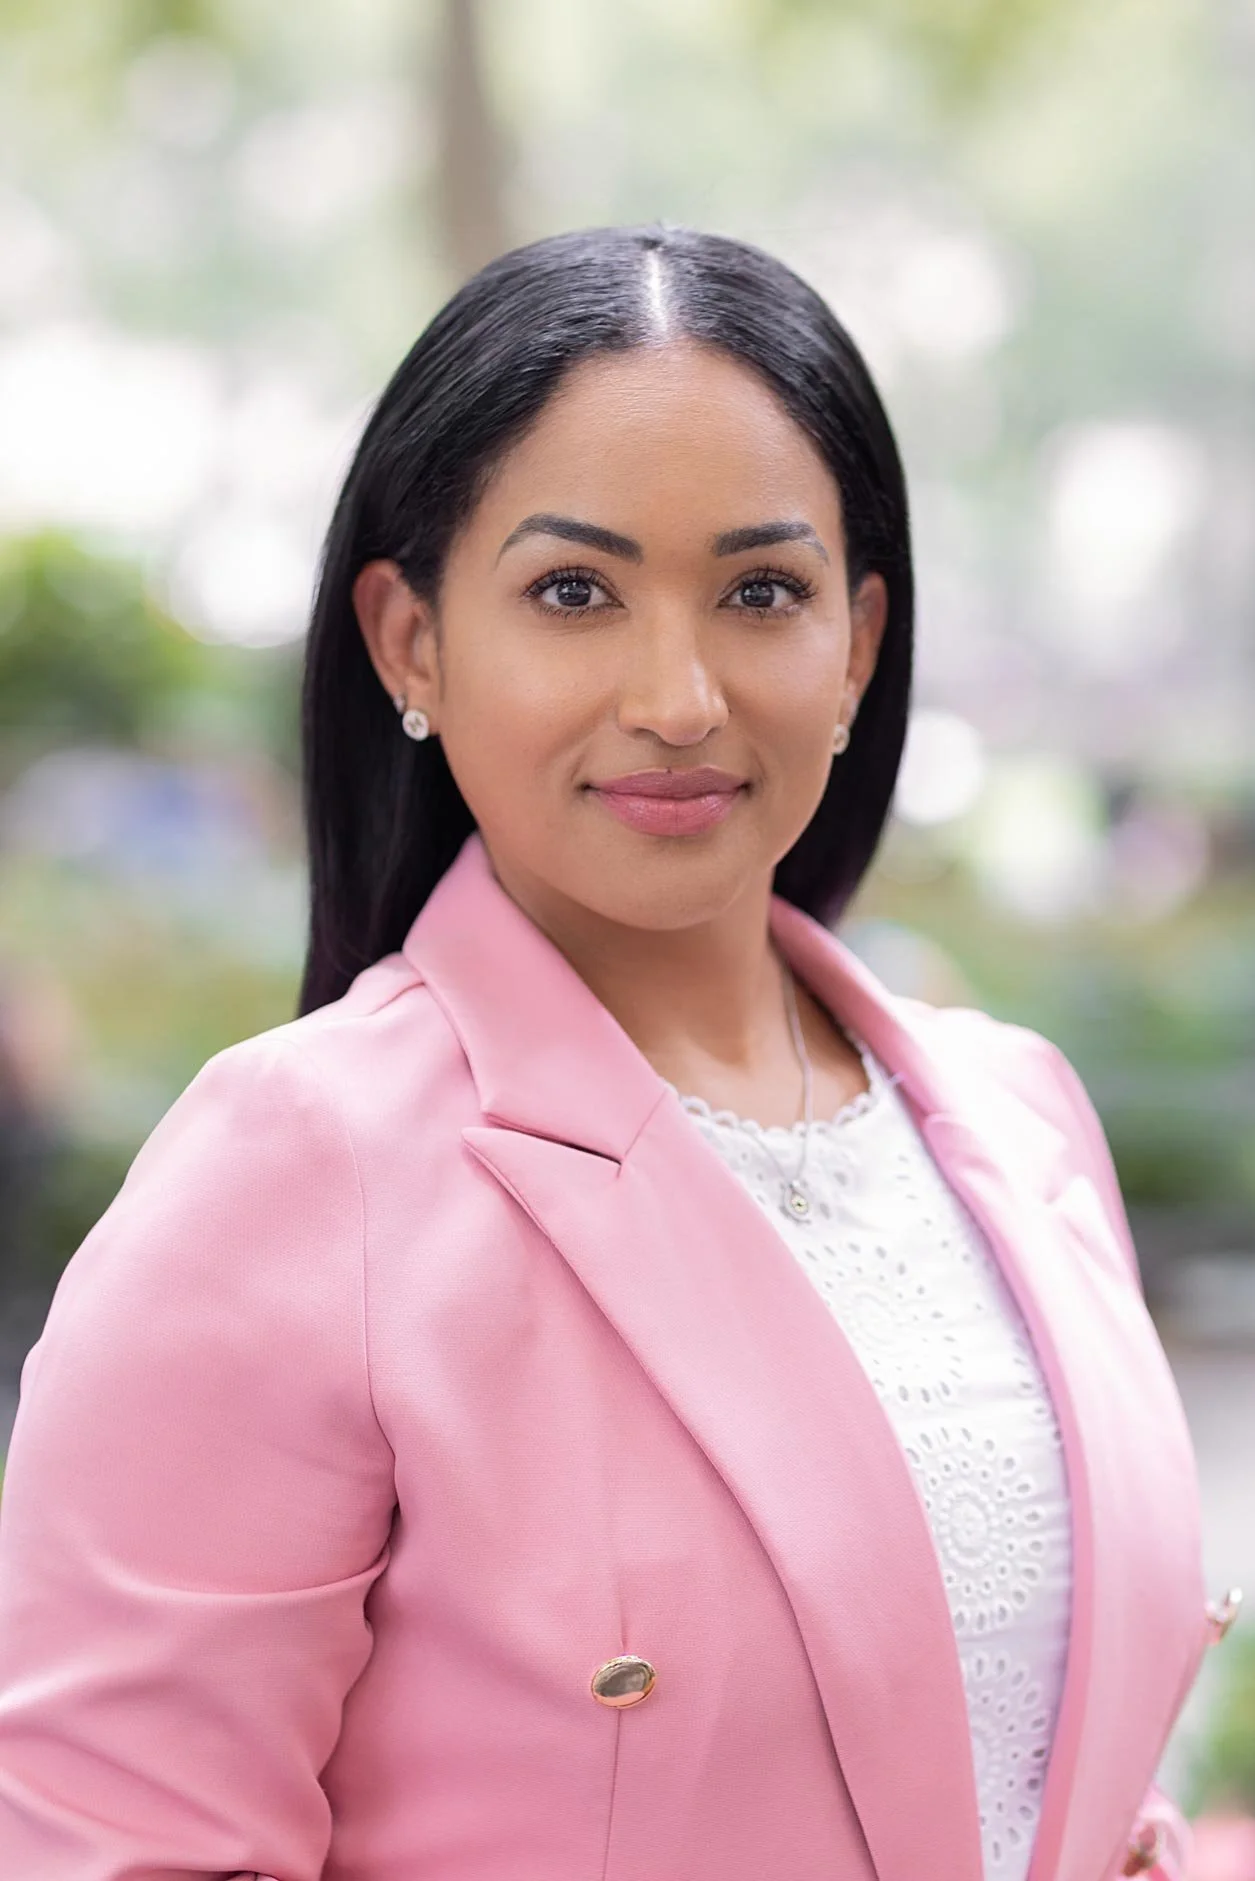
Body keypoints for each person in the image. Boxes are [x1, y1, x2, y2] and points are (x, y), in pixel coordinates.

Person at [0, 224, 1238, 1881]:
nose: (678, 696)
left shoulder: (1016, 1119)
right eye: (573, 592)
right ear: (410, 640)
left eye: (761, 592)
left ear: (859, 643)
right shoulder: (301, 1169)